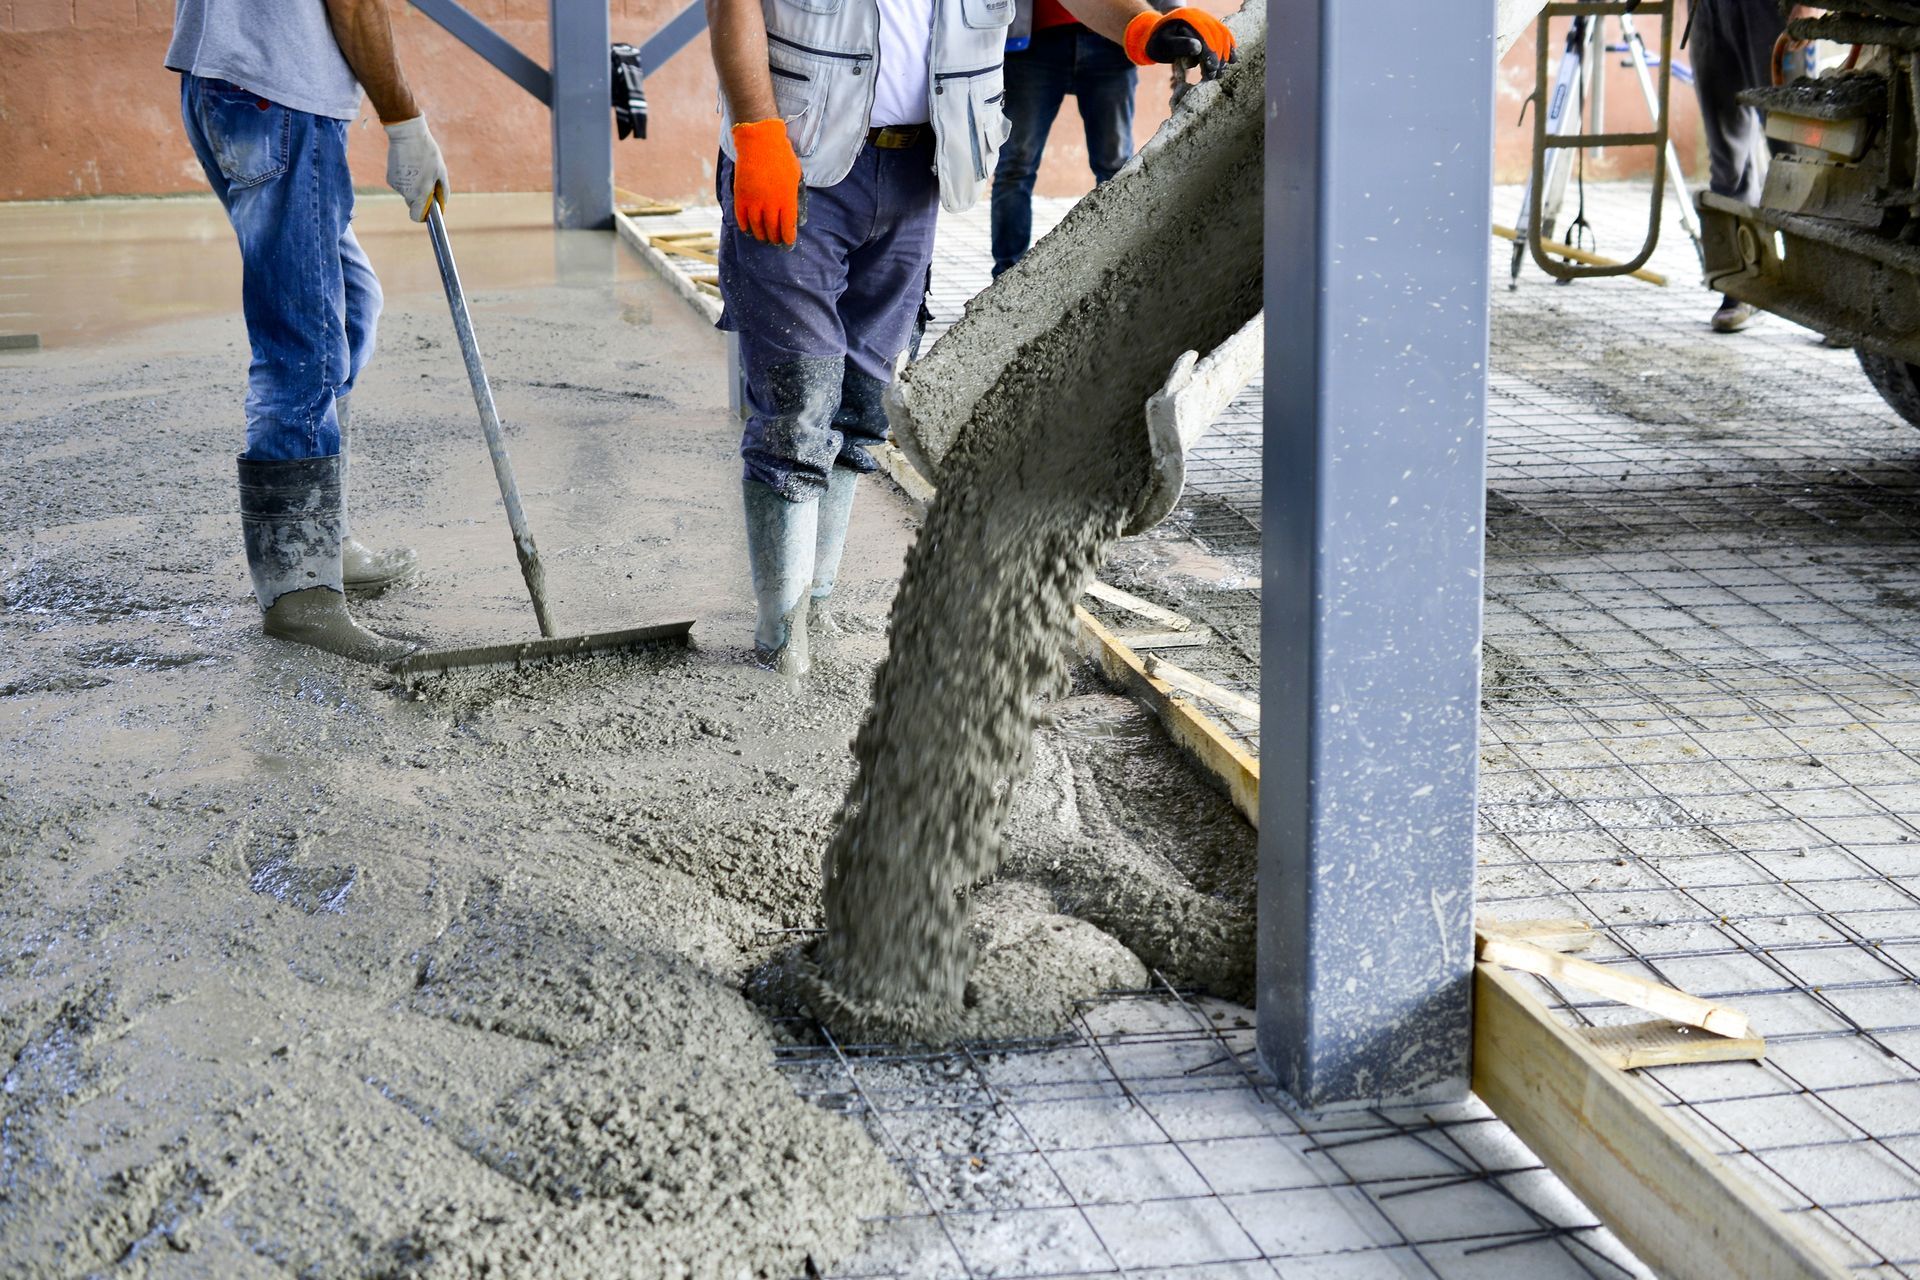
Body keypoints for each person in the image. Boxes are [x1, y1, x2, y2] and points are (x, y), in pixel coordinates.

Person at [707, 0, 1235, 676]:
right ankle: (782, 638)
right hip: (796, 160)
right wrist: (755, 129)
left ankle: (818, 606)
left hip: (915, 170)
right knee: (796, 401)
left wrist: (1141, 24)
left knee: (863, 403)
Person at [167, 0, 449, 662]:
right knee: (302, 346)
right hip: (275, 95)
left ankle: (323, 536)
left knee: (349, 304)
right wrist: (405, 121)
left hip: (234, 81)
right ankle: (301, 595)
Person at [990, 0, 1151, 279]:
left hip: (1113, 41)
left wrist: (1173, 18)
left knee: (1115, 168)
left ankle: (1117, 273)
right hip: (1032, 43)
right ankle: (1006, 278)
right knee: (1016, 165)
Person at [1687, 0, 1787, 333]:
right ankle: (1739, 286)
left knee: (1792, 145)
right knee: (1727, 159)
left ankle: (1833, 295)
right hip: (1707, 8)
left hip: (1768, 8)